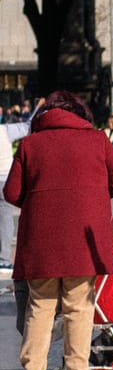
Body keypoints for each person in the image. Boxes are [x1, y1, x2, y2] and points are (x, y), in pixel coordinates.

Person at [4, 90, 113, 370]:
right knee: (79, 309)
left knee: (39, 310)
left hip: (41, 240)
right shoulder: (97, 140)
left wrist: (39, 200)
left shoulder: (30, 144)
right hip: (82, 242)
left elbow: (11, 192)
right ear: (80, 114)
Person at [1, 103, 38, 275]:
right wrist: (37, 107)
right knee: (5, 221)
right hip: (3, 179)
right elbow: (27, 126)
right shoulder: (6, 131)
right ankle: (3, 259)